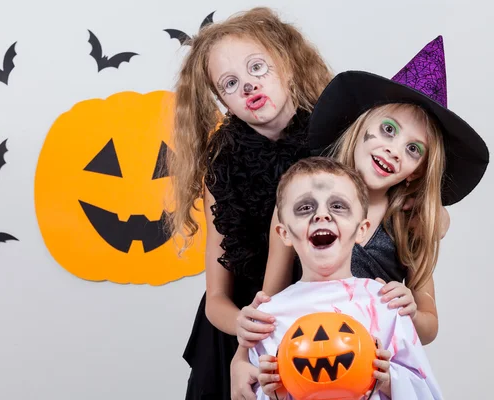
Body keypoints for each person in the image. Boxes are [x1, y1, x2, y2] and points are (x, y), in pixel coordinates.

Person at [232, 35, 489, 398]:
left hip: (374, 370)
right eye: (388, 129)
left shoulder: (411, 224)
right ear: (362, 125)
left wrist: (409, 309)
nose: (393, 150)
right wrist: (240, 359)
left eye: (413, 150)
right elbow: (269, 303)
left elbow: (428, 328)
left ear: (417, 170)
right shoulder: (301, 204)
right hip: (305, 361)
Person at [167, 6, 333, 399]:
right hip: (241, 332)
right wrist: (243, 323)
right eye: (229, 83)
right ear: (224, 102)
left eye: (257, 67)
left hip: (320, 327)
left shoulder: (337, 143)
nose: (248, 86)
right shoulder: (221, 166)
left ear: (288, 66)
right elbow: (217, 299)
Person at [251, 156, 444, 399]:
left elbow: (426, 391)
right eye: (305, 208)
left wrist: (388, 381)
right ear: (284, 233)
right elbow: (257, 390)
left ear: (360, 230)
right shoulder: (270, 316)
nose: (322, 215)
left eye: (338, 206)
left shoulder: (386, 303)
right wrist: (272, 392)